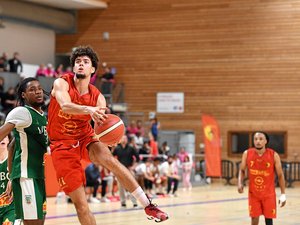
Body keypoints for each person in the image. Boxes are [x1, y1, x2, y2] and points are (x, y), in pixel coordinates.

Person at [47, 46, 168, 225]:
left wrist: (111, 137)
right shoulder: (61, 83)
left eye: (85, 62)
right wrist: (89, 109)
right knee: (81, 205)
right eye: (78, 62)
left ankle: (147, 204)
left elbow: (103, 127)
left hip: (84, 137)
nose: (81, 64)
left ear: (92, 69)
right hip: (61, 144)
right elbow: (65, 105)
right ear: (73, 68)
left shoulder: (98, 98)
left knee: (110, 160)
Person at [0, 77, 49, 225]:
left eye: (39, 88)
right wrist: (12, 175)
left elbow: (12, 145)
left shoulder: (42, 117)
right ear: (24, 95)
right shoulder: (22, 112)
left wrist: (9, 176)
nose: (38, 92)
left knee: (39, 221)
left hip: (38, 176)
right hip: (26, 176)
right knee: (32, 222)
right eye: (32, 90)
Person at [238, 131, 286, 225]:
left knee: (269, 220)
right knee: (254, 219)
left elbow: (280, 175)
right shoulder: (247, 153)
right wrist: (240, 183)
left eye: (260, 139)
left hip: (268, 194)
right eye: (255, 139)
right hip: (254, 194)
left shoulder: (274, 155)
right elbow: (242, 170)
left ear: (266, 141)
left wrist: (283, 194)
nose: (258, 141)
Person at [112, 135, 139, 208]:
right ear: (120, 140)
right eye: (123, 138)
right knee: (120, 186)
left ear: (127, 140)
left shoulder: (131, 148)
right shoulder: (117, 148)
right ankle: (123, 202)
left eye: (125, 138)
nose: (124, 139)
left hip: (129, 169)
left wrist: (133, 167)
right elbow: (112, 158)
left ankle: (134, 202)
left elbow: (138, 158)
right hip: (120, 170)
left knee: (132, 185)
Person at [0, 136, 15, 225]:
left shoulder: (14, 160)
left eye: (4, 136)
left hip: (11, 206)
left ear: (8, 140)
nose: (2, 139)